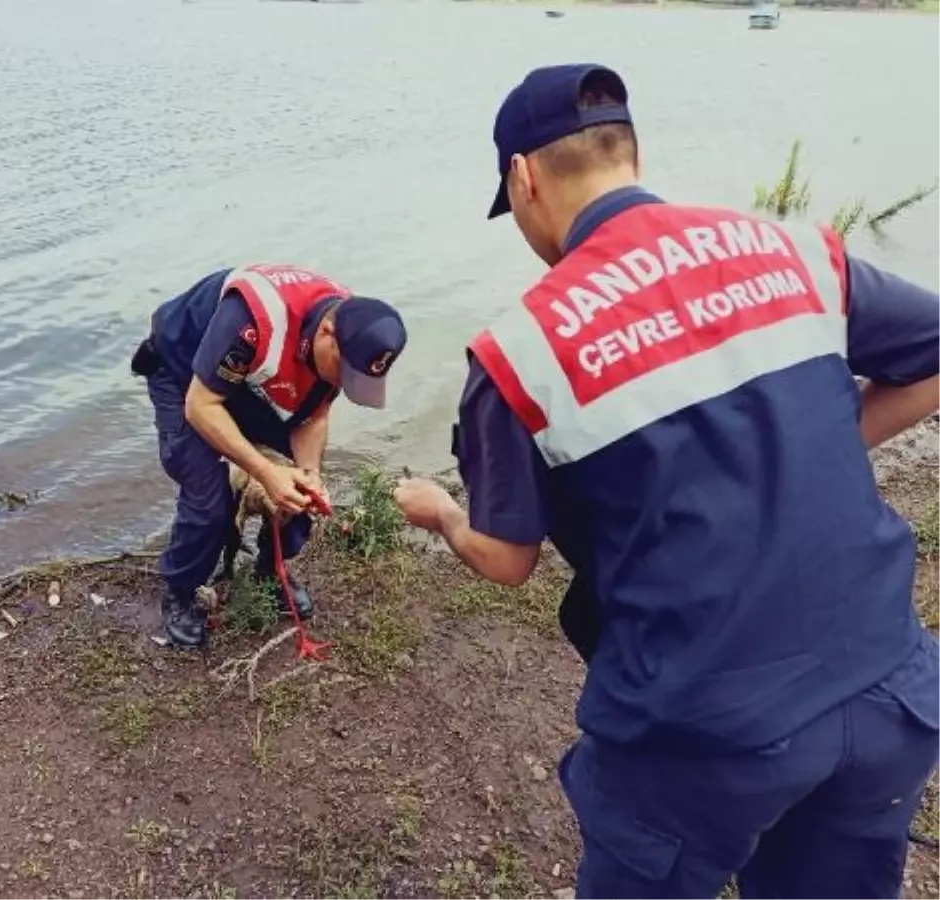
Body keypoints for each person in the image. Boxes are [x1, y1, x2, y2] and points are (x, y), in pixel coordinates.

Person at [395, 63, 940, 899]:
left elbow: (507, 558)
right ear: (630, 156)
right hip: (886, 689)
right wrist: (827, 435)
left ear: (523, 177)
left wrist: (440, 513)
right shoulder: (797, 252)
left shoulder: (522, 353)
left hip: (704, 729)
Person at [132, 263, 406, 649]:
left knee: (300, 488)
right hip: (182, 374)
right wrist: (263, 469)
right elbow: (202, 406)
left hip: (245, 377)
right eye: (343, 372)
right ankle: (180, 590)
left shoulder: (354, 338)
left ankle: (269, 570)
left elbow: (313, 417)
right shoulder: (254, 317)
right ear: (327, 333)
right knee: (208, 497)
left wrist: (308, 473)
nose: (344, 384)